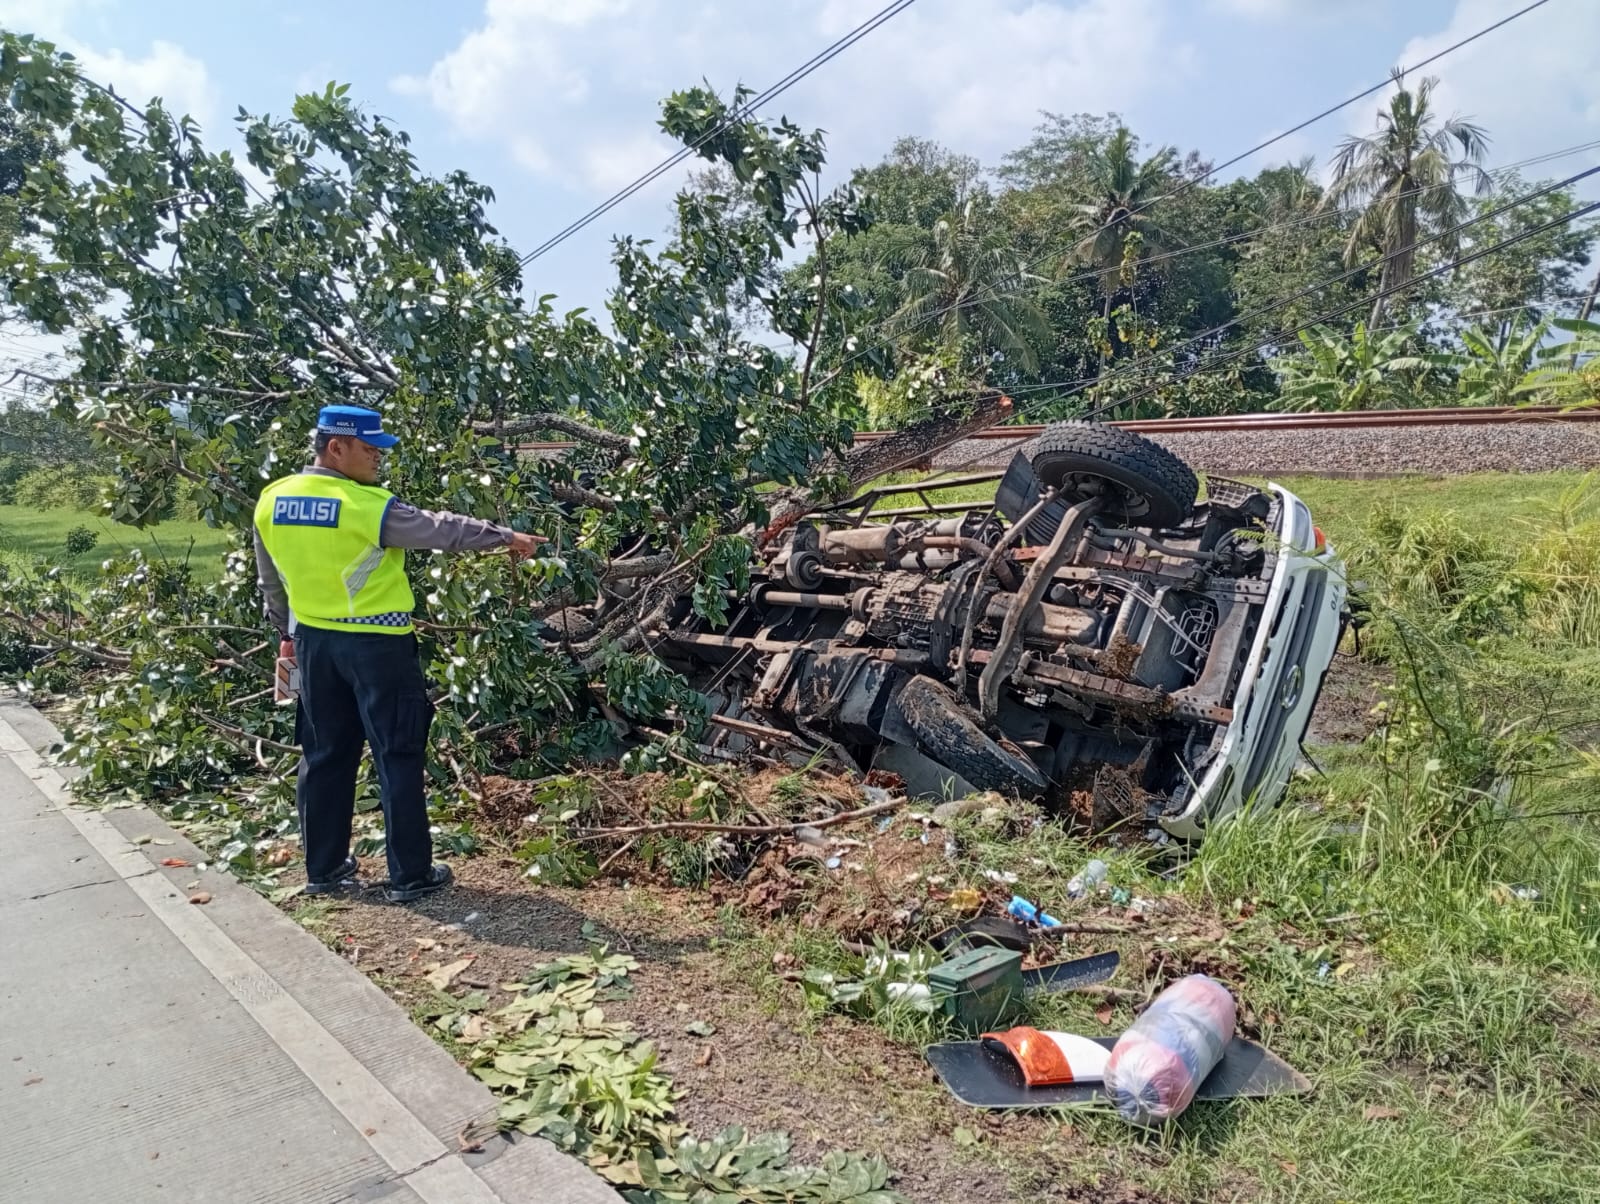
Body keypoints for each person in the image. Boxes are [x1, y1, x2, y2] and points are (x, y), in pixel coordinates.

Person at [253, 405, 543, 902]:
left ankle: (324, 870)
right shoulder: (362, 504)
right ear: (335, 447)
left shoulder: (272, 499)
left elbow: (270, 582)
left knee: (323, 754)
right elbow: (440, 530)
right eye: (369, 450)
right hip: (377, 646)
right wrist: (505, 536)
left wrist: (286, 633)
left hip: (314, 645)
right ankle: (410, 875)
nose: (377, 461)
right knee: (398, 753)